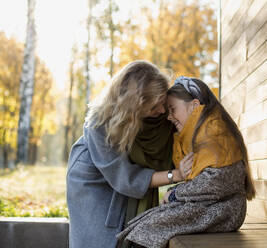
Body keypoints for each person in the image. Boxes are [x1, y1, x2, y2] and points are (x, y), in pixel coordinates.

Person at [116, 76, 256, 248]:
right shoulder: (200, 133)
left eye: (172, 109)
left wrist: (175, 194)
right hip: (213, 207)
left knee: (149, 227)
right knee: (145, 223)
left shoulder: (215, 132)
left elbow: (214, 183)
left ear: (194, 106)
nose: (169, 117)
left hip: (223, 211)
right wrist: (176, 191)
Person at [66, 61, 193, 248]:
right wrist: (176, 175)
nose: (162, 111)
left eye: (162, 102)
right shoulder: (98, 125)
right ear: (132, 107)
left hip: (121, 177)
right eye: (154, 107)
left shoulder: (156, 118)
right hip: (92, 178)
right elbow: (126, 179)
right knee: (99, 239)